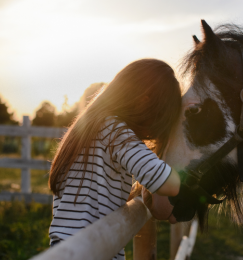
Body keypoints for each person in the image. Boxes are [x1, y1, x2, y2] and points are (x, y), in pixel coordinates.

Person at [48, 59, 182, 260]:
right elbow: (169, 184)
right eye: (161, 118)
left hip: (65, 248)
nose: (155, 133)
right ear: (144, 102)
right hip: (93, 250)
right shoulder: (115, 131)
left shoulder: (90, 127)